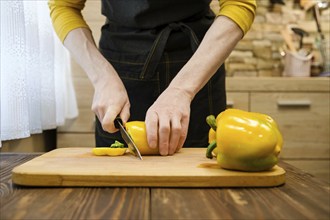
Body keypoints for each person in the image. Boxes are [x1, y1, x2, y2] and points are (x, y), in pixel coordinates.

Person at [48, 0, 256, 156]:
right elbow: (64, 6)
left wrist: (182, 90)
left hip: (198, 64)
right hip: (120, 65)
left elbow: (239, 4)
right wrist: (102, 78)